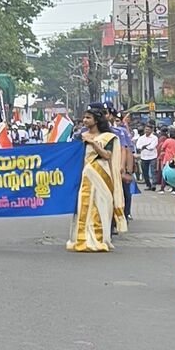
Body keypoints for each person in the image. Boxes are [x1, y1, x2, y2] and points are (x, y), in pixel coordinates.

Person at [68, 106, 119, 253]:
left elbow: (107, 155)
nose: (85, 120)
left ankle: (99, 238)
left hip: (101, 175)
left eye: (88, 118)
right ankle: (82, 238)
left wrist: (93, 143)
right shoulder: (79, 136)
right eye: (84, 117)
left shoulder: (107, 137)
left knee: (101, 206)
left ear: (96, 120)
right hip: (85, 175)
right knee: (83, 205)